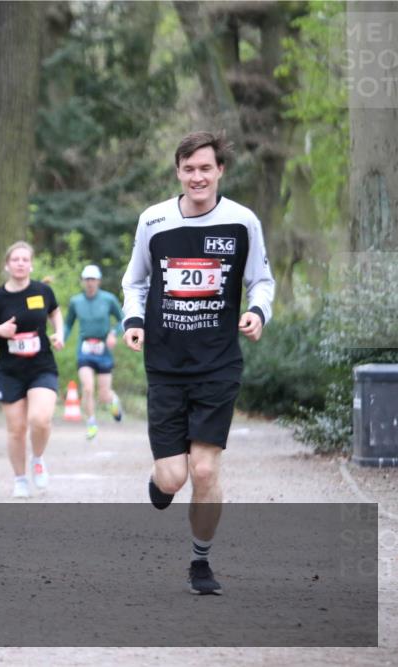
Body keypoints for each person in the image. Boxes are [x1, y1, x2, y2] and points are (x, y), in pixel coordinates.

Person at [121, 131, 274, 595]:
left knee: (205, 471)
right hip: (165, 363)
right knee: (173, 476)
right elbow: (135, 281)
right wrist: (133, 318)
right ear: (178, 172)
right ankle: (161, 482)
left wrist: (256, 312)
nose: (197, 177)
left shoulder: (242, 221)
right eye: (188, 169)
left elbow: (261, 280)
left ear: (220, 171)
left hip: (217, 363)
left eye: (206, 168)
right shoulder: (154, 221)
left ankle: (200, 563)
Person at [0, 242, 64, 499]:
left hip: (41, 366)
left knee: (41, 419)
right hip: (10, 370)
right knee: (16, 429)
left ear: (31, 264)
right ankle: (20, 479)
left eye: (25, 259)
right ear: (7, 264)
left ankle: (37, 458)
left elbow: (55, 312)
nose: (21, 263)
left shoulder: (42, 291)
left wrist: (58, 332)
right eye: (16, 259)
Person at [63, 264, 125, 440]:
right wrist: (61, 338)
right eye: (87, 279)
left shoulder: (108, 299)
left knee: (103, 395)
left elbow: (123, 320)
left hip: (103, 350)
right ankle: (91, 424)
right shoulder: (76, 301)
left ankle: (113, 401)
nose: (90, 283)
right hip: (85, 350)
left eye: (93, 279)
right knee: (88, 388)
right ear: (82, 281)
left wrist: (114, 333)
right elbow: (68, 324)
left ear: (98, 281)